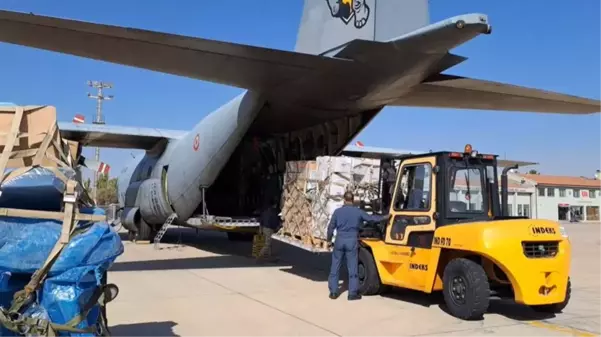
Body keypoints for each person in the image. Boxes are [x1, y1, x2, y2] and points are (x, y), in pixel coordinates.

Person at [326, 191, 390, 300]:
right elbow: (371, 219)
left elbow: (331, 227)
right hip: (352, 241)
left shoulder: (338, 212)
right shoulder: (358, 212)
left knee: (335, 266)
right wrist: (385, 218)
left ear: (344, 199)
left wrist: (328, 240)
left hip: (340, 240)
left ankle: (333, 292)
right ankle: (352, 294)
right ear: (353, 200)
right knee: (352, 268)